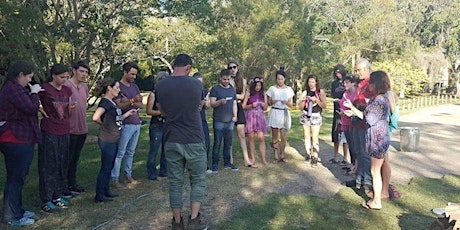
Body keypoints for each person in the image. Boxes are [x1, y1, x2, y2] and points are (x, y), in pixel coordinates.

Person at [155, 54, 208, 229]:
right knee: (198, 179)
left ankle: (177, 222)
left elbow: (162, 111)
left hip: (171, 137)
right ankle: (194, 220)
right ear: (188, 67)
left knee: (175, 181)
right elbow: (200, 106)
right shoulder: (195, 84)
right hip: (193, 137)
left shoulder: (160, 85)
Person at [0, 61, 42, 226]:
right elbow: (31, 108)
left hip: (20, 137)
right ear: (20, 75)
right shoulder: (12, 89)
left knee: (18, 176)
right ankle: (12, 217)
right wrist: (34, 93)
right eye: (29, 77)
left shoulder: (15, 88)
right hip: (15, 139)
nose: (30, 81)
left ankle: (17, 210)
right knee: (15, 178)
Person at [343, 70, 391, 210]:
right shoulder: (380, 98)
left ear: (376, 84)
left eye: (371, 83)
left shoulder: (379, 100)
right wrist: (354, 111)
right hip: (380, 137)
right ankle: (377, 198)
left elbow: (368, 119)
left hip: (378, 139)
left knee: (375, 170)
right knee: (375, 169)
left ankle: (376, 201)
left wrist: (352, 108)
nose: (368, 85)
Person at [92, 78, 137, 203]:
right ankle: (99, 195)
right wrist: (104, 125)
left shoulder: (112, 102)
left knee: (110, 165)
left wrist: (126, 115)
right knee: (105, 167)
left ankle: (106, 191)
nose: (118, 90)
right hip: (107, 139)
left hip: (114, 138)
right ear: (109, 88)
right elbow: (96, 117)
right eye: (116, 87)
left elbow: (116, 118)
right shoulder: (105, 102)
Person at [38, 63, 74, 213]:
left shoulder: (67, 90)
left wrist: (70, 109)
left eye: (66, 77)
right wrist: (39, 108)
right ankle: (46, 199)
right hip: (49, 130)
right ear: (53, 75)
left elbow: (67, 111)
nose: (64, 80)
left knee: (61, 163)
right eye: (61, 77)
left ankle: (57, 195)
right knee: (48, 164)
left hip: (64, 129)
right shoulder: (44, 89)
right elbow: (32, 99)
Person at [111, 62, 143, 189]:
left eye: (135, 74)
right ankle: (114, 178)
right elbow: (119, 105)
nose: (134, 77)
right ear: (125, 72)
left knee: (131, 152)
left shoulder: (135, 87)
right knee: (120, 152)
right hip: (125, 124)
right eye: (132, 74)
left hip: (136, 122)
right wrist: (133, 101)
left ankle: (128, 175)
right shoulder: (118, 87)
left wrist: (129, 101)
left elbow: (141, 105)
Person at [344, 58, 373, 192]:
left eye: (359, 70)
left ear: (367, 69)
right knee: (357, 152)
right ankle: (358, 178)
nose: (357, 73)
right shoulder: (360, 84)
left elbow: (371, 104)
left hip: (366, 122)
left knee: (365, 153)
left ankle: (367, 181)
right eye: (356, 70)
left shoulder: (372, 83)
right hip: (356, 120)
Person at [63, 60, 90, 195]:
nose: (84, 74)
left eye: (86, 72)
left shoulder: (84, 87)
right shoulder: (66, 86)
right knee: (66, 159)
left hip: (82, 128)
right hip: (69, 129)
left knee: (75, 158)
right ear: (74, 71)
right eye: (81, 71)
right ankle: (63, 186)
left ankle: (72, 183)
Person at [209, 69, 239, 172]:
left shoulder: (232, 89)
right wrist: (220, 102)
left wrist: (235, 116)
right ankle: (215, 164)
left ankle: (227, 163)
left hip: (230, 120)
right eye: (224, 79)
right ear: (220, 78)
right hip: (219, 120)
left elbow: (234, 103)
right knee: (217, 143)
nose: (226, 81)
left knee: (228, 143)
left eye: (228, 79)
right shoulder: (215, 89)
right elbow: (212, 103)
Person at [266, 68, 294, 163]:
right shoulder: (272, 89)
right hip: (275, 112)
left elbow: (291, 105)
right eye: (278, 79)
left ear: (284, 79)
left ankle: (282, 154)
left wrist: (286, 102)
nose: (280, 81)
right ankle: (275, 155)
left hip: (284, 113)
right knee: (274, 135)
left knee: (283, 136)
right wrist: (272, 101)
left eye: (282, 79)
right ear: (276, 79)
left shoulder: (289, 89)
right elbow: (268, 103)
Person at [298, 75, 327, 168]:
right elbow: (300, 107)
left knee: (314, 137)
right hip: (306, 115)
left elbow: (324, 105)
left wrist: (316, 100)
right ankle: (308, 154)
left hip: (315, 115)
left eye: (313, 82)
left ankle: (315, 156)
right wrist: (303, 101)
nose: (311, 84)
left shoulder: (320, 92)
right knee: (306, 135)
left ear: (316, 82)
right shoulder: (305, 92)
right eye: (309, 82)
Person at [228, 61, 252, 167]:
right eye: (230, 67)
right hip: (228, 108)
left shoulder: (243, 81)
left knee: (242, 134)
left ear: (238, 68)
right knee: (229, 135)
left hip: (238, 107)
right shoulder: (227, 80)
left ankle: (246, 159)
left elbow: (242, 96)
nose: (233, 69)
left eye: (234, 67)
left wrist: (233, 95)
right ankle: (230, 159)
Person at [146, 71, 169, 180]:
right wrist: (162, 113)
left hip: (167, 124)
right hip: (156, 125)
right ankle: (151, 172)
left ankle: (164, 171)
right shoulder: (153, 94)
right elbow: (149, 111)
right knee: (154, 149)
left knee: (166, 149)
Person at [242, 77, 268, 166]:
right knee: (251, 138)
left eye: (260, 85)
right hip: (250, 116)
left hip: (260, 117)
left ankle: (263, 159)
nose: (258, 87)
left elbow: (266, 107)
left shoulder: (263, 93)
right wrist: (250, 106)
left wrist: (264, 105)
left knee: (261, 138)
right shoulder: (248, 93)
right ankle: (252, 158)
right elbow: (243, 106)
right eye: (256, 85)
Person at [339, 76, 358, 175]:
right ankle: (352, 164)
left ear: (353, 83)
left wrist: (348, 111)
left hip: (353, 122)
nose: (345, 85)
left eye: (347, 83)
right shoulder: (345, 93)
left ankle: (356, 167)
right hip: (344, 121)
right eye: (344, 83)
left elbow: (357, 107)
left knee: (355, 146)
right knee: (350, 144)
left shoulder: (356, 94)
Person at [193, 72, 212, 172]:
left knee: (206, 143)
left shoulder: (204, 91)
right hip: (192, 121)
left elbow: (208, 106)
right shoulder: (190, 91)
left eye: (201, 82)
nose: (200, 85)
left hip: (202, 120)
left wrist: (205, 101)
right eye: (198, 82)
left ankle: (205, 165)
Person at [330, 64, 346, 164]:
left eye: (339, 72)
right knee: (335, 133)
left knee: (345, 135)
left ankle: (345, 157)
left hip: (345, 111)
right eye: (336, 73)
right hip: (336, 110)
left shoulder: (347, 82)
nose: (338, 74)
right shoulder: (334, 84)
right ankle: (335, 156)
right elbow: (333, 95)